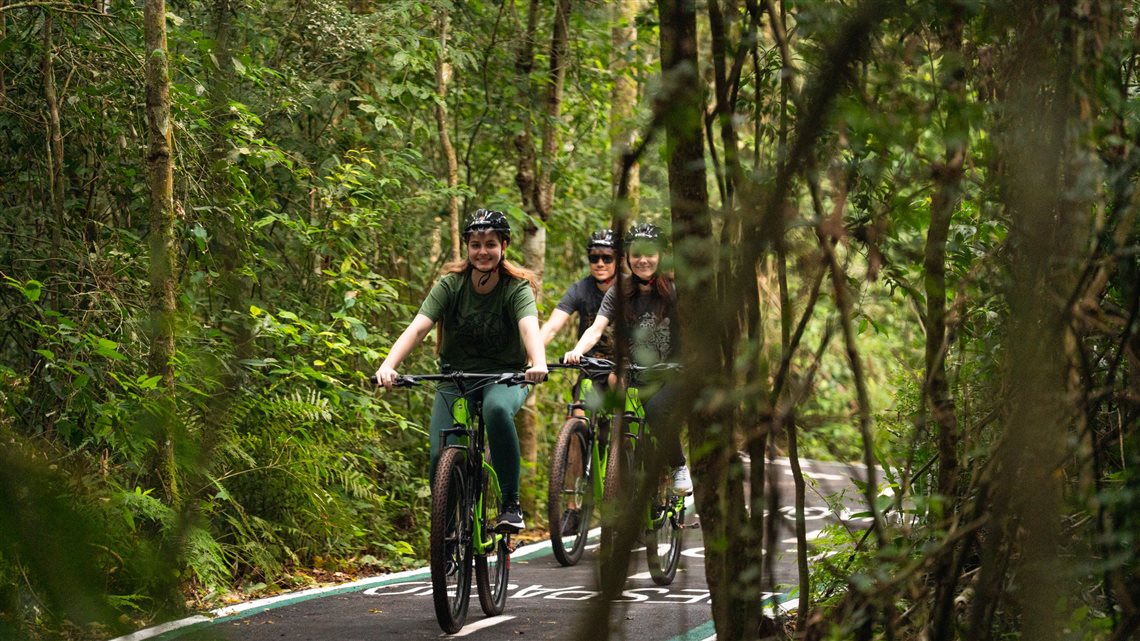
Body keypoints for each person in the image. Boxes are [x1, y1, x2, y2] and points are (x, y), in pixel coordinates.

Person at [374, 209, 548, 531]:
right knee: (440, 453)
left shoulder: (516, 287)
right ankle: (448, 532)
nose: (483, 252)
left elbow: (528, 326)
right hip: (456, 378)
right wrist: (388, 365)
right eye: (475, 244)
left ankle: (510, 504)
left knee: (497, 410)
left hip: (505, 377)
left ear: (504, 246)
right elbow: (418, 328)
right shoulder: (451, 285)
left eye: (490, 244)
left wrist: (537, 362)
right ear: (467, 246)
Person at [563, 222, 692, 495]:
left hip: (672, 374)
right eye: (636, 254)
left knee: (655, 411)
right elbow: (596, 328)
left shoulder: (675, 289)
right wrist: (577, 351)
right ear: (628, 258)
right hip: (635, 374)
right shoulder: (619, 291)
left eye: (650, 253)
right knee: (624, 419)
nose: (643, 260)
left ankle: (678, 466)